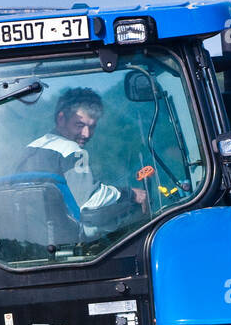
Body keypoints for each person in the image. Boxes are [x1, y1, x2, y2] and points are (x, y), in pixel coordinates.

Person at [16, 87, 146, 235]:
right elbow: (91, 201)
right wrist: (129, 194)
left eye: (92, 127)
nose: (86, 134)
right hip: (62, 241)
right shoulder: (70, 149)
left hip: (29, 237)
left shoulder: (31, 148)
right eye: (79, 125)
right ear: (61, 118)